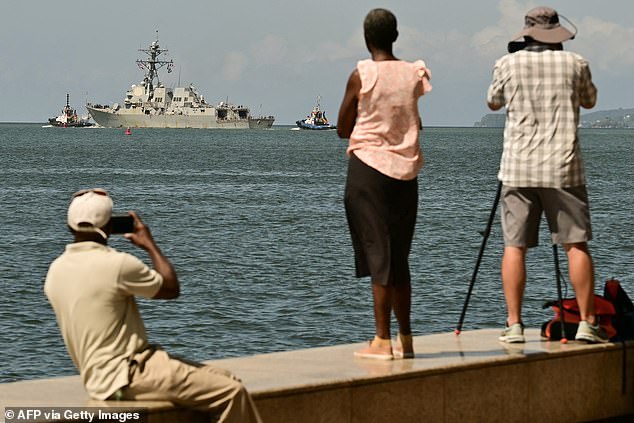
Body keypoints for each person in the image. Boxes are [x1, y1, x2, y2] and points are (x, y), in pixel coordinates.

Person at [44, 188, 262, 422]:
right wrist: (149, 244)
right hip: (130, 374)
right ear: (109, 227)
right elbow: (170, 288)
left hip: (98, 378)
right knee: (230, 392)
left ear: (70, 227)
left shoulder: (55, 271)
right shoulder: (117, 264)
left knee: (228, 378)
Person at [486, 6, 607, 344]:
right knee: (575, 245)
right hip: (564, 167)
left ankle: (513, 325)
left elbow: (493, 102)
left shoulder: (506, 64)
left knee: (514, 246)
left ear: (526, 34)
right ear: (557, 35)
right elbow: (591, 101)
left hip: (517, 167)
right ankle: (587, 323)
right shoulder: (576, 63)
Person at [337, 8, 432, 360]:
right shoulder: (414, 73)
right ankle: (405, 337)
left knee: (379, 254)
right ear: (395, 36)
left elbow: (343, 127)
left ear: (366, 39)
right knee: (399, 257)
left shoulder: (363, 74)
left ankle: (381, 340)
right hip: (406, 173)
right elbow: (414, 120)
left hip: (368, 170)